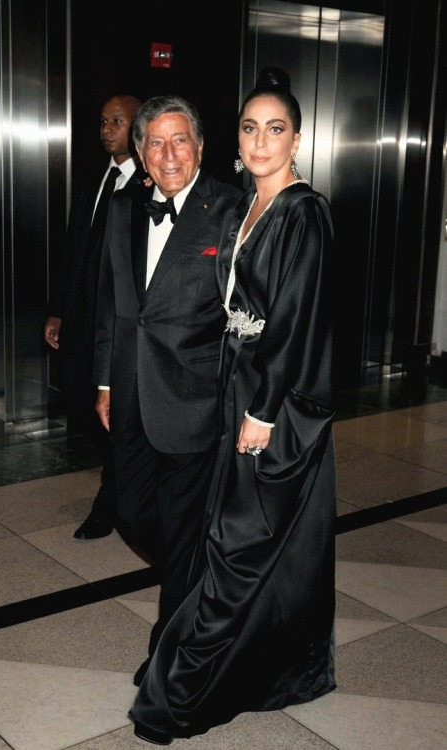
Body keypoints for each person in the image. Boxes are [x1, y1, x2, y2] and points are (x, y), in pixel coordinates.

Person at [129, 67, 337, 745]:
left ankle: (183, 689)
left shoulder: (303, 211)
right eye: (251, 128)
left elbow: (294, 322)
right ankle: (272, 668)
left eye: (276, 129)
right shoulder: (250, 206)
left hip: (273, 407)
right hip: (235, 391)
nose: (261, 140)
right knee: (251, 546)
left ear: (298, 140)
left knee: (238, 546)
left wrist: (265, 411)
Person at [93, 94, 243, 686]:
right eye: (155, 141)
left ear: (201, 148)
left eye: (180, 140)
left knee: (180, 533)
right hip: (129, 392)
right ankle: (201, 561)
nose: (168, 153)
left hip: (194, 397)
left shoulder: (230, 208)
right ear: (140, 151)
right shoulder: (124, 204)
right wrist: (105, 379)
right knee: (131, 513)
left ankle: (171, 653)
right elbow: (112, 301)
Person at [44, 94, 144, 540]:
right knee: (84, 404)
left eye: (117, 122)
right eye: (103, 121)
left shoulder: (148, 183)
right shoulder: (95, 177)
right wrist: (58, 310)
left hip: (122, 322)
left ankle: (111, 503)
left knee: (115, 415)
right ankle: (126, 480)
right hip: (83, 318)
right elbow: (73, 249)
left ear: (137, 126)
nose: (106, 129)